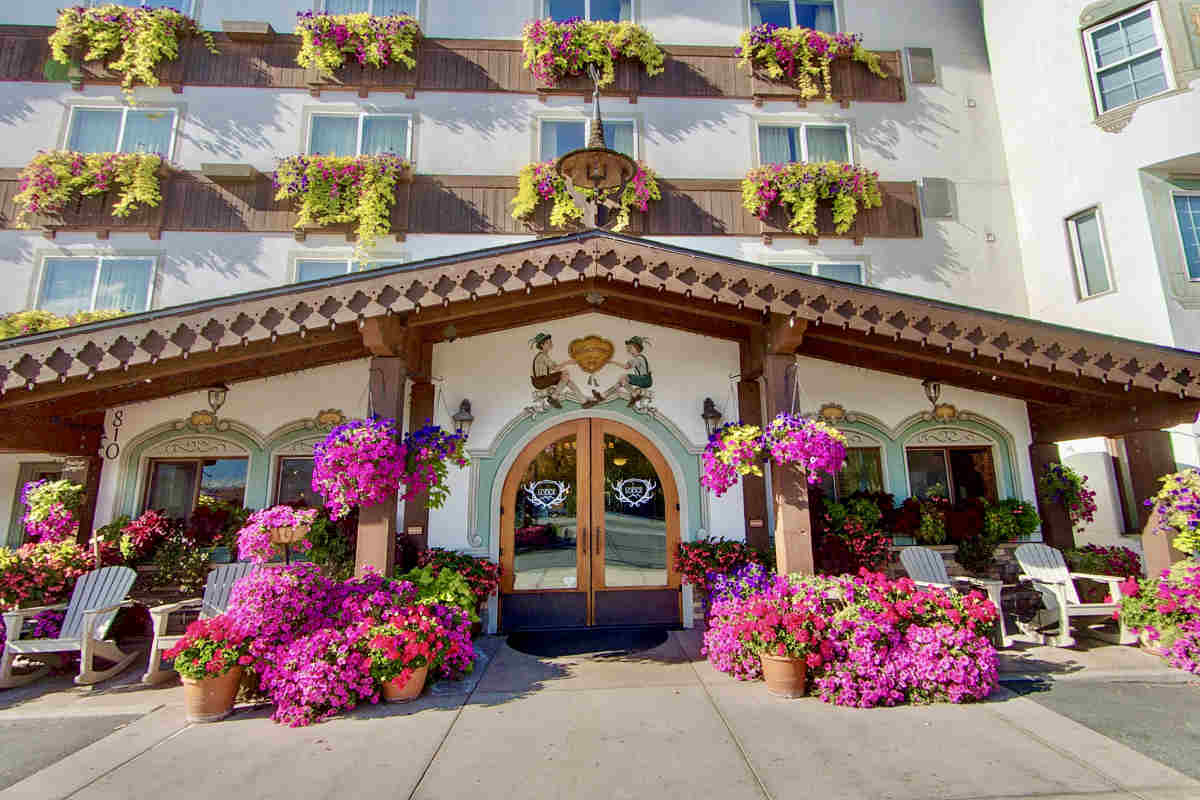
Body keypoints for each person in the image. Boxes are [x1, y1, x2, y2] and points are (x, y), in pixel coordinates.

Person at [529, 333, 591, 408]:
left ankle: (584, 401)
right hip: (540, 381)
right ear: (542, 345)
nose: (551, 344)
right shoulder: (542, 356)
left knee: (567, 380)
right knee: (565, 373)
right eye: (548, 343)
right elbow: (555, 368)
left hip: (543, 379)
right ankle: (553, 397)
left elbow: (553, 368)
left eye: (550, 342)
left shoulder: (543, 355)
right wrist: (568, 362)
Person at [602, 336, 653, 408]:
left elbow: (626, 367)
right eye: (628, 348)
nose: (628, 350)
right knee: (621, 382)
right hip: (645, 379)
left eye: (630, 348)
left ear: (636, 348)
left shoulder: (638, 358)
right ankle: (603, 395)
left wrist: (612, 362)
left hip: (644, 379)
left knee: (623, 377)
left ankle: (634, 394)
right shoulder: (637, 358)